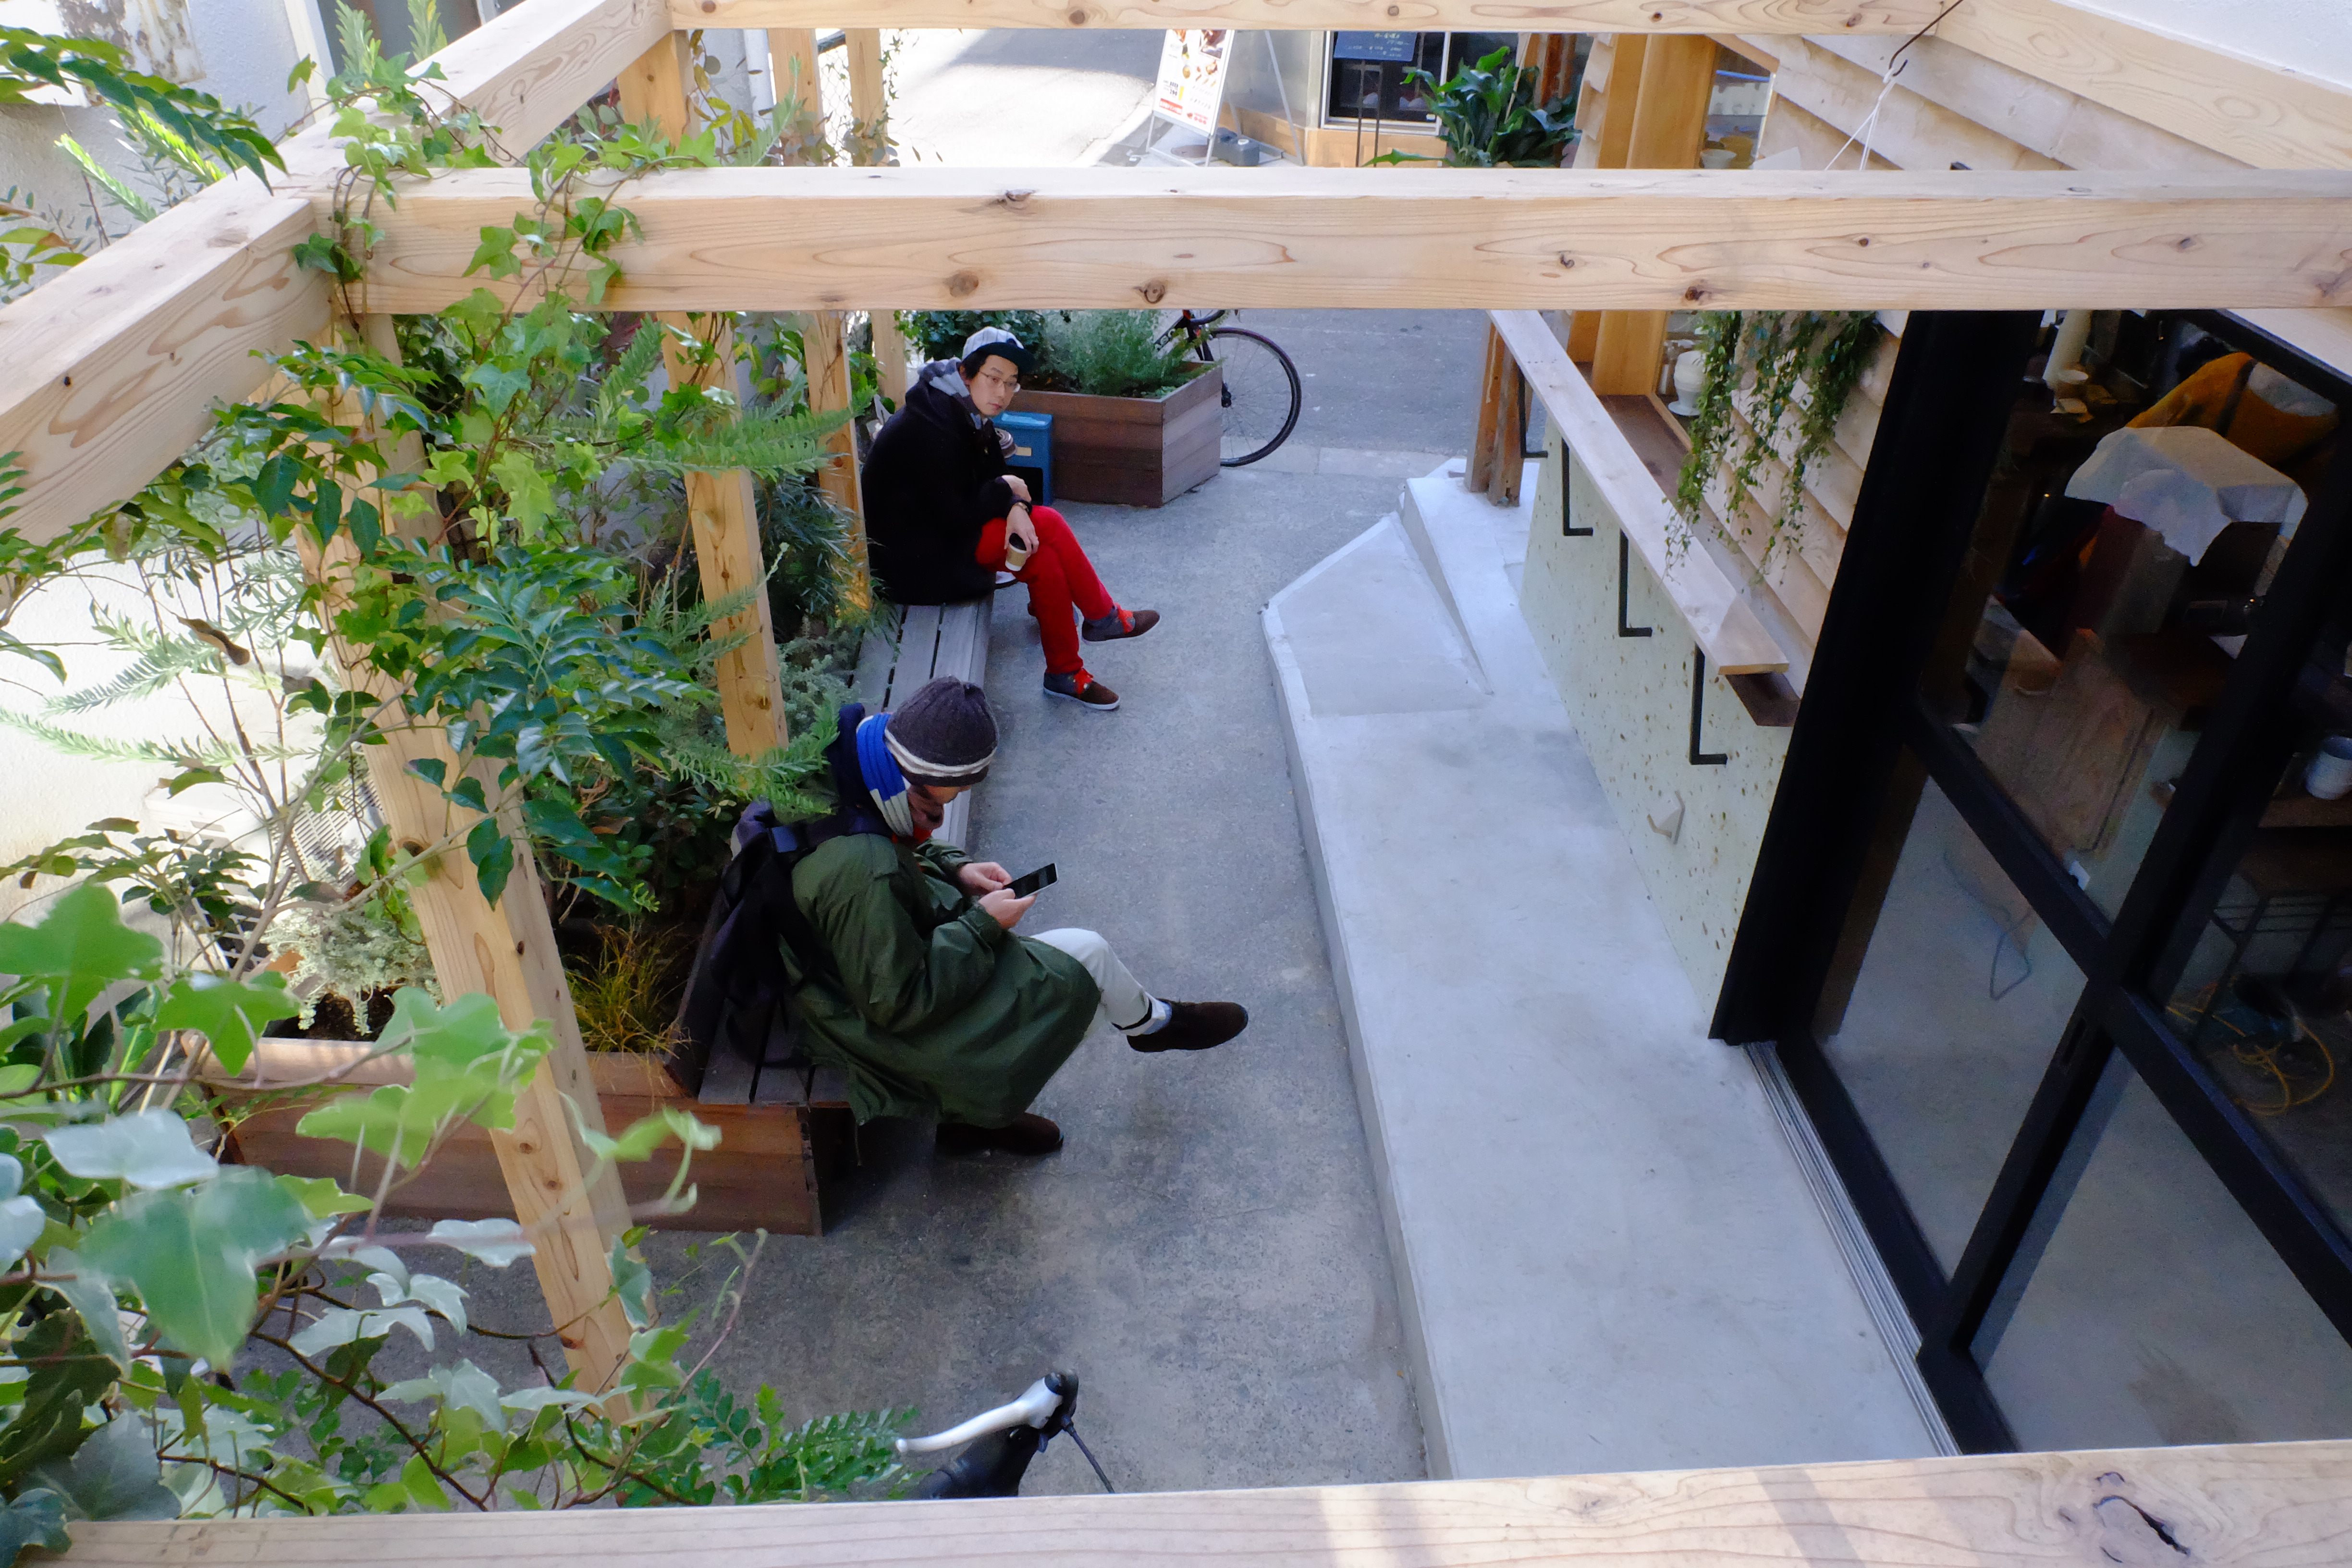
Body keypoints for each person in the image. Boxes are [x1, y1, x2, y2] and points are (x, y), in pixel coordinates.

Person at [783, 676, 1249, 1154]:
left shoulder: (855, 768)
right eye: (946, 795)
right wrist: (981, 925)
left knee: (1080, 967)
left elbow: (892, 846)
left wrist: (956, 867)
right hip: (864, 1027)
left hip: (848, 977)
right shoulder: (864, 871)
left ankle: (1145, 1026)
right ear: (915, 775)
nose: (951, 805)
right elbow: (898, 1003)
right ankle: (1144, 1029)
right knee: (1084, 968)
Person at [864, 327, 1158, 713]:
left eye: (1011, 383)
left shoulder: (964, 408)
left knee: (1043, 556)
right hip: (917, 565)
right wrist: (1008, 490)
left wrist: (1015, 505)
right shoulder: (930, 425)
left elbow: (993, 476)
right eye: (993, 378)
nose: (1002, 392)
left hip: (942, 537)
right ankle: (1103, 617)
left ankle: (1065, 672)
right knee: (1048, 524)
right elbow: (960, 514)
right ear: (967, 373)